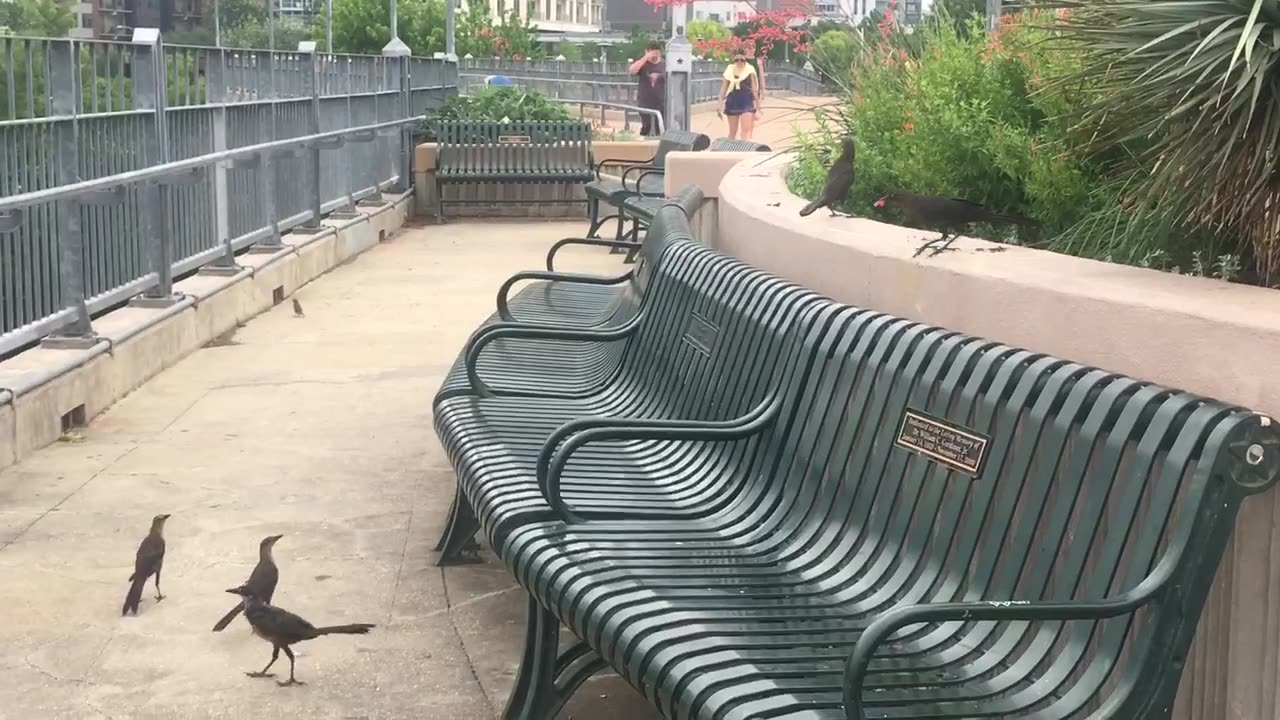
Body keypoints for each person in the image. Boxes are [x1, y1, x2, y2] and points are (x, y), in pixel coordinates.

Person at [719, 53, 764, 140]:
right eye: (737, 60)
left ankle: (745, 147)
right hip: (732, 101)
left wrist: (758, 107)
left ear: (745, 60)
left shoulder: (750, 69)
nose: (739, 62)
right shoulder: (729, 69)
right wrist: (720, 103)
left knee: (745, 131)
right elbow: (724, 87)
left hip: (746, 101)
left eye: (741, 60)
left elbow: (754, 89)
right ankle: (731, 147)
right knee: (732, 132)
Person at [629, 41, 666, 137]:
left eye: (657, 54)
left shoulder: (664, 65)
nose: (654, 57)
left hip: (661, 103)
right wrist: (646, 57)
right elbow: (632, 70)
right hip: (645, 102)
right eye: (652, 54)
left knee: (660, 128)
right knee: (647, 127)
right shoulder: (643, 64)